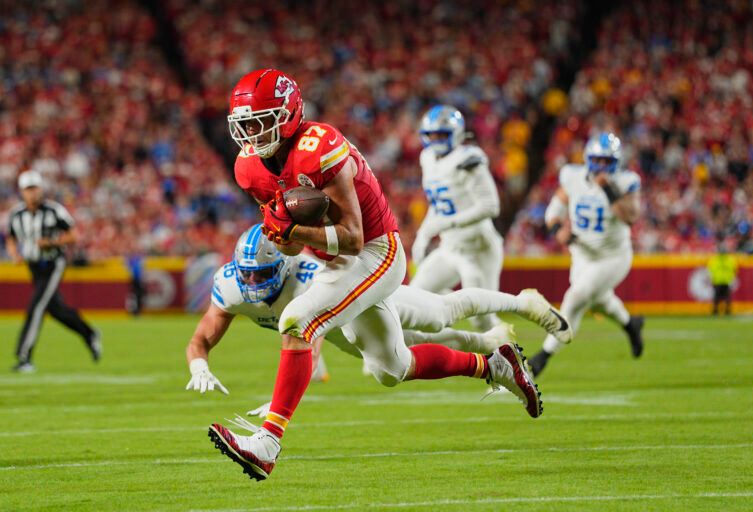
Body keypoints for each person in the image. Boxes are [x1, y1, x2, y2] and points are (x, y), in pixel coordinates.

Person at [206, 69, 561, 481]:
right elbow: (288, 242)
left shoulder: (319, 147)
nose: (250, 132)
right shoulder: (250, 168)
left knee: (296, 321)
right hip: (332, 262)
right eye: (244, 124)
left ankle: (267, 443)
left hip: (377, 252)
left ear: (287, 114)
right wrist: (281, 230)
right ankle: (494, 366)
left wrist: (293, 228)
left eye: (260, 120)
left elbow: (354, 238)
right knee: (390, 368)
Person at [184, 224, 573, 398]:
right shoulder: (231, 286)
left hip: (366, 301)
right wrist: (198, 364)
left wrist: (286, 393)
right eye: (247, 276)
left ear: (281, 265)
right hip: (346, 333)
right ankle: (487, 343)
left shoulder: (306, 273)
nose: (252, 285)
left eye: (261, 275)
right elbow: (202, 336)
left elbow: (310, 334)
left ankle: (522, 302)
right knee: (398, 363)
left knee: (440, 312)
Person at [528, 132, 644, 377]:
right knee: (600, 300)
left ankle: (543, 356)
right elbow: (554, 210)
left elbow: (630, 216)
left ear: (616, 162)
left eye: (606, 161)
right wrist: (559, 230)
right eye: (597, 160)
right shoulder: (573, 177)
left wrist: (607, 189)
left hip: (613, 257)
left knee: (577, 297)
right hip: (581, 255)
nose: (601, 166)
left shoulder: (625, 182)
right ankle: (630, 324)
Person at [410, 105, 504, 331]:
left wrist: (449, 223)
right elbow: (439, 205)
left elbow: (491, 206)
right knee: (413, 297)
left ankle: (513, 359)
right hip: (450, 247)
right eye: (432, 135)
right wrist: (423, 234)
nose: (437, 140)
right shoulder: (428, 159)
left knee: (481, 320)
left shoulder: (468, 160)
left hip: (478, 248)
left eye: (442, 134)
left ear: (458, 134)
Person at [5, 170, 101, 373]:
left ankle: (24, 357)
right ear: (22, 192)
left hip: (53, 264)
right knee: (56, 311)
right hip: (34, 266)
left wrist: (52, 242)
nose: (32, 193)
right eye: (28, 189)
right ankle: (89, 333)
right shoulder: (17, 214)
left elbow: (74, 235)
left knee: (36, 306)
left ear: (41, 188)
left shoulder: (54, 211)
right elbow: (11, 237)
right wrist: (14, 255)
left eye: (35, 188)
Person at [707, 245, 738, 316]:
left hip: (718, 281)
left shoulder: (714, 259)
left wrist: (712, 279)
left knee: (717, 297)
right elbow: (734, 270)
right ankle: (726, 311)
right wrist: (732, 279)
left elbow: (710, 271)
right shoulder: (730, 259)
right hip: (726, 281)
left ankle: (716, 311)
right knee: (726, 297)